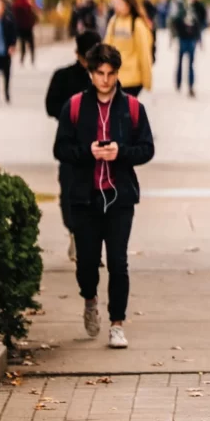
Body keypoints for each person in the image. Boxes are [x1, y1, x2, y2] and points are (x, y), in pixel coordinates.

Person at [53, 42, 155, 349]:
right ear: (90, 72)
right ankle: (90, 299)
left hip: (120, 196)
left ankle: (117, 323)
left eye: (111, 73)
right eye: (100, 73)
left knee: (118, 262)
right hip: (84, 197)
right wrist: (89, 152)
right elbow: (60, 149)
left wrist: (120, 152)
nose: (106, 79)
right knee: (86, 262)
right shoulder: (73, 106)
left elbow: (147, 149)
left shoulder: (133, 107)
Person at [45, 29, 102, 261]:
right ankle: (76, 236)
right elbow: (51, 106)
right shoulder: (64, 77)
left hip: (100, 146)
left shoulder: (106, 78)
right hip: (71, 146)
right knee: (70, 193)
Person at [104, 0, 153, 97]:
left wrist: (147, 79)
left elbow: (144, 54)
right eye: (116, 3)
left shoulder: (137, 24)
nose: (116, 6)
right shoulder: (114, 22)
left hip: (132, 80)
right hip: (116, 78)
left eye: (119, 3)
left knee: (126, 111)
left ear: (128, 5)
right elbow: (105, 48)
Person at [168, 0, 207, 96]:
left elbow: (203, 18)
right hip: (182, 37)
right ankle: (178, 83)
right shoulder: (181, 4)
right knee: (180, 61)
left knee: (191, 63)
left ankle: (190, 86)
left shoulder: (198, 6)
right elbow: (174, 19)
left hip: (192, 38)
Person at [12, 0, 39, 65]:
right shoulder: (28, 3)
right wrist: (33, 22)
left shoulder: (16, 3)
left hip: (20, 27)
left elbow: (14, 15)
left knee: (22, 43)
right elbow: (33, 14)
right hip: (28, 27)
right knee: (31, 43)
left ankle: (22, 58)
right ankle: (32, 58)